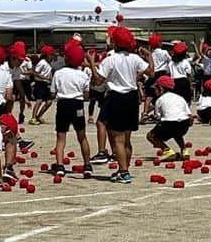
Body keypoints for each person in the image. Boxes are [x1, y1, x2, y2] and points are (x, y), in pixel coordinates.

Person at [91, 26, 151, 184]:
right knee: (127, 138)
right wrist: (149, 56)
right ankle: (124, 169)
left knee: (117, 138)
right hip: (132, 98)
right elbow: (151, 72)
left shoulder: (110, 59)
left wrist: (91, 65)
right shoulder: (135, 58)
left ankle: (124, 172)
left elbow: (98, 81)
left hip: (116, 97)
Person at [51, 41, 93, 179]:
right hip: (77, 105)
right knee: (82, 136)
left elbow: (52, 93)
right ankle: (87, 165)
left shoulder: (59, 73)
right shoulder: (83, 75)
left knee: (61, 137)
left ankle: (60, 166)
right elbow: (87, 95)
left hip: (63, 104)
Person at [146, 75, 192, 161]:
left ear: (161, 88)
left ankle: (167, 150)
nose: (155, 91)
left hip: (168, 124)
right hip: (184, 124)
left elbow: (158, 116)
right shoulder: (180, 98)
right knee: (177, 134)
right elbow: (189, 115)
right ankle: (184, 150)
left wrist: (149, 117)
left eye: (155, 89)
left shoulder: (159, 100)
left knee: (150, 136)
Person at [28, 45, 55, 125]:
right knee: (39, 100)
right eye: (51, 55)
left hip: (46, 84)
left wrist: (50, 79)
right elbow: (35, 72)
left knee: (49, 102)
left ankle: (38, 116)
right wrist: (44, 77)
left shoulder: (48, 63)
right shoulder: (42, 62)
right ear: (47, 55)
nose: (52, 57)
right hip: (40, 83)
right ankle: (33, 117)